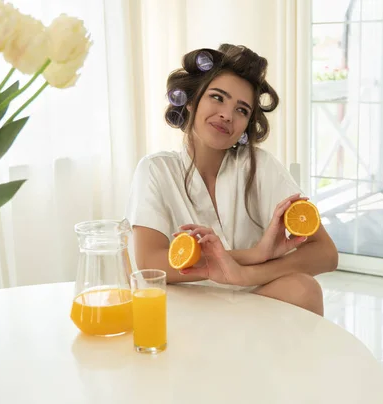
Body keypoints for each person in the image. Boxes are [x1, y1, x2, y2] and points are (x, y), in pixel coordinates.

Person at [125, 44, 338, 316]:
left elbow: (326, 253)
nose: (227, 114)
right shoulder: (155, 169)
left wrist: (245, 276)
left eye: (242, 110)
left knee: (304, 289)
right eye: (217, 97)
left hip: (252, 302)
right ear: (191, 101)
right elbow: (149, 264)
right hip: (189, 311)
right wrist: (253, 255)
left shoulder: (260, 166)